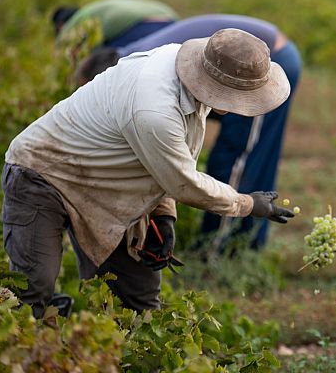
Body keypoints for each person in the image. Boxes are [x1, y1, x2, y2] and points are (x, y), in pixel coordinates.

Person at [1, 28, 295, 318]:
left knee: (137, 300)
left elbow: (172, 163)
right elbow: (184, 182)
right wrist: (247, 203)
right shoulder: (156, 110)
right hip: (43, 173)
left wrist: (163, 216)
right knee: (33, 292)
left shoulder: (190, 76)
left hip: (110, 186)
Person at [77, 14, 302, 252]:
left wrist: (246, 204)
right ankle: (244, 243)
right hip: (254, 58)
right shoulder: (131, 62)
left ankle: (217, 252)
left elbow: (179, 175)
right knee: (247, 156)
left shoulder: (142, 80)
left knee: (237, 158)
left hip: (261, 65)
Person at [52, 0, 180, 47]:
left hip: (142, 26)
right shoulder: (96, 8)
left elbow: (61, 46)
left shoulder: (74, 23)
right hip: (172, 21)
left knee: (108, 61)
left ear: (61, 25)